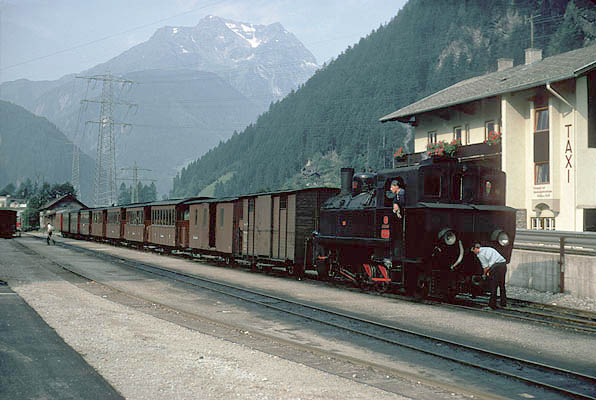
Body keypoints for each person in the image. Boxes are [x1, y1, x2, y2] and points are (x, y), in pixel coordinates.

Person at [471, 243, 507, 309]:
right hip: (503, 264)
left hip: (495, 266)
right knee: (502, 285)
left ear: (476, 248)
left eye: (473, 251)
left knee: (493, 285)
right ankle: (503, 303)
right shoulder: (488, 248)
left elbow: (486, 267)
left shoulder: (480, 254)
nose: (474, 253)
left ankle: (492, 305)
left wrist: (484, 275)